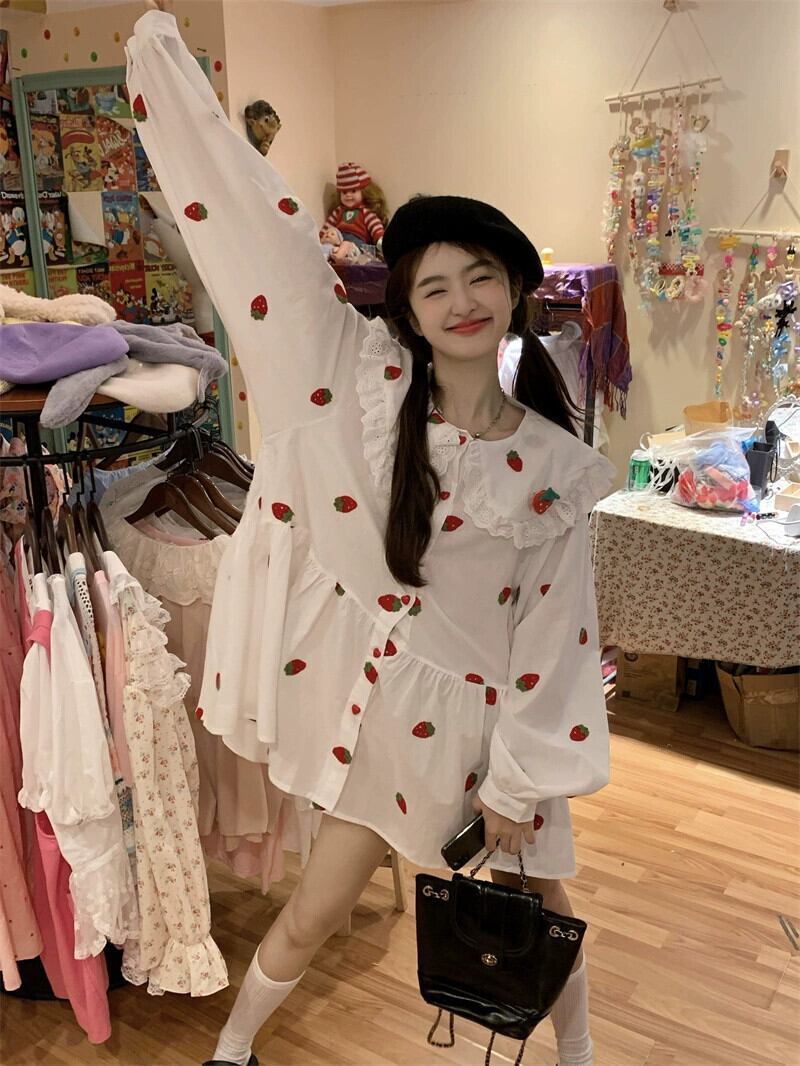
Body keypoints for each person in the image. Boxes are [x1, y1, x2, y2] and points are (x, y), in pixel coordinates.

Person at [128, 6, 615, 1066]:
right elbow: (264, 255)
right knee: (315, 908)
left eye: (479, 276)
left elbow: (557, 638)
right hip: (387, 722)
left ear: (515, 289)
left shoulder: (553, 464)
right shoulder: (364, 389)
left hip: (499, 736)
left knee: (545, 919)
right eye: (433, 284)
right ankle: (232, 1050)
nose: (460, 300)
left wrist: (516, 786)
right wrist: (166, 74)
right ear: (407, 309)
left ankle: (578, 1057)